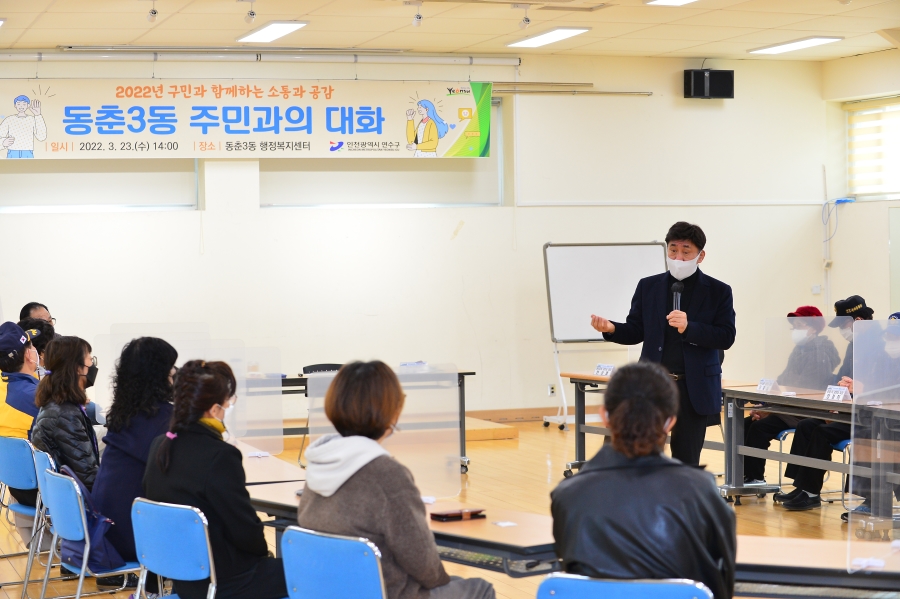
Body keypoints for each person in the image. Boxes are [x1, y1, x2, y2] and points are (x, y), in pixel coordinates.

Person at [298, 361, 495, 599]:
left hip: (325, 591)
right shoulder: (386, 473)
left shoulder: (318, 463)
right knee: (480, 589)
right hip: (387, 593)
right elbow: (423, 563)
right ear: (392, 410)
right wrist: (439, 581)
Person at [551, 361, 736, 599]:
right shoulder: (701, 491)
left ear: (605, 416)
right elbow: (722, 583)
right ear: (670, 421)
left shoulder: (567, 494)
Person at [590, 221, 736, 466]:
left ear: (700, 256)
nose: (678, 257)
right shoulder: (649, 286)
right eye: (673, 250)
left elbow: (726, 336)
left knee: (686, 457)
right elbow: (636, 330)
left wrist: (690, 327)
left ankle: (681, 502)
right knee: (639, 451)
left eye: (686, 251)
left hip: (693, 387)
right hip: (653, 385)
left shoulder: (719, 291)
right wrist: (612, 329)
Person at [143, 360, 287, 599]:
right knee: (313, 573)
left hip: (182, 576)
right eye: (228, 401)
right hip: (226, 581)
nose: (229, 406)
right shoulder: (220, 455)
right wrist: (263, 555)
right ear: (213, 408)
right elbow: (246, 531)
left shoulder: (160, 445)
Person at [91, 337, 177, 594]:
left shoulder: (122, 413)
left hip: (106, 529)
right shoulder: (166, 420)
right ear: (159, 375)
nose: (174, 373)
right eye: (171, 368)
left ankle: (152, 589)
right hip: (136, 536)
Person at [776, 300, 876, 511]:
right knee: (806, 426)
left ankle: (812, 492)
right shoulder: (853, 345)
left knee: (822, 432)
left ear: (857, 321)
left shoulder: (877, 346)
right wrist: (835, 397)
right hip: (847, 411)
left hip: (866, 416)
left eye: (842, 326)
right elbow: (841, 377)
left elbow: (878, 384)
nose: (841, 331)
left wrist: (856, 388)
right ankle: (802, 486)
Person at [743, 304, 844, 485]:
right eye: (793, 327)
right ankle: (746, 474)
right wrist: (766, 406)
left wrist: (772, 410)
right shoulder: (800, 350)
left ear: (813, 328)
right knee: (746, 423)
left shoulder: (820, 353)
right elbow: (783, 381)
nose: (794, 331)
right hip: (790, 407)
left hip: (805, 409)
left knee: (759, 427)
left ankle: (754, 478)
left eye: (799, 326)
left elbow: (803, 389)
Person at [31, 336, 100, 490]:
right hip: (81, 502)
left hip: (65, 494)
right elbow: (89, 477)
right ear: (77, 368)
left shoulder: (54, 404)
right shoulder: (65, 415)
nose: (92, 364)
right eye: (90, 359)